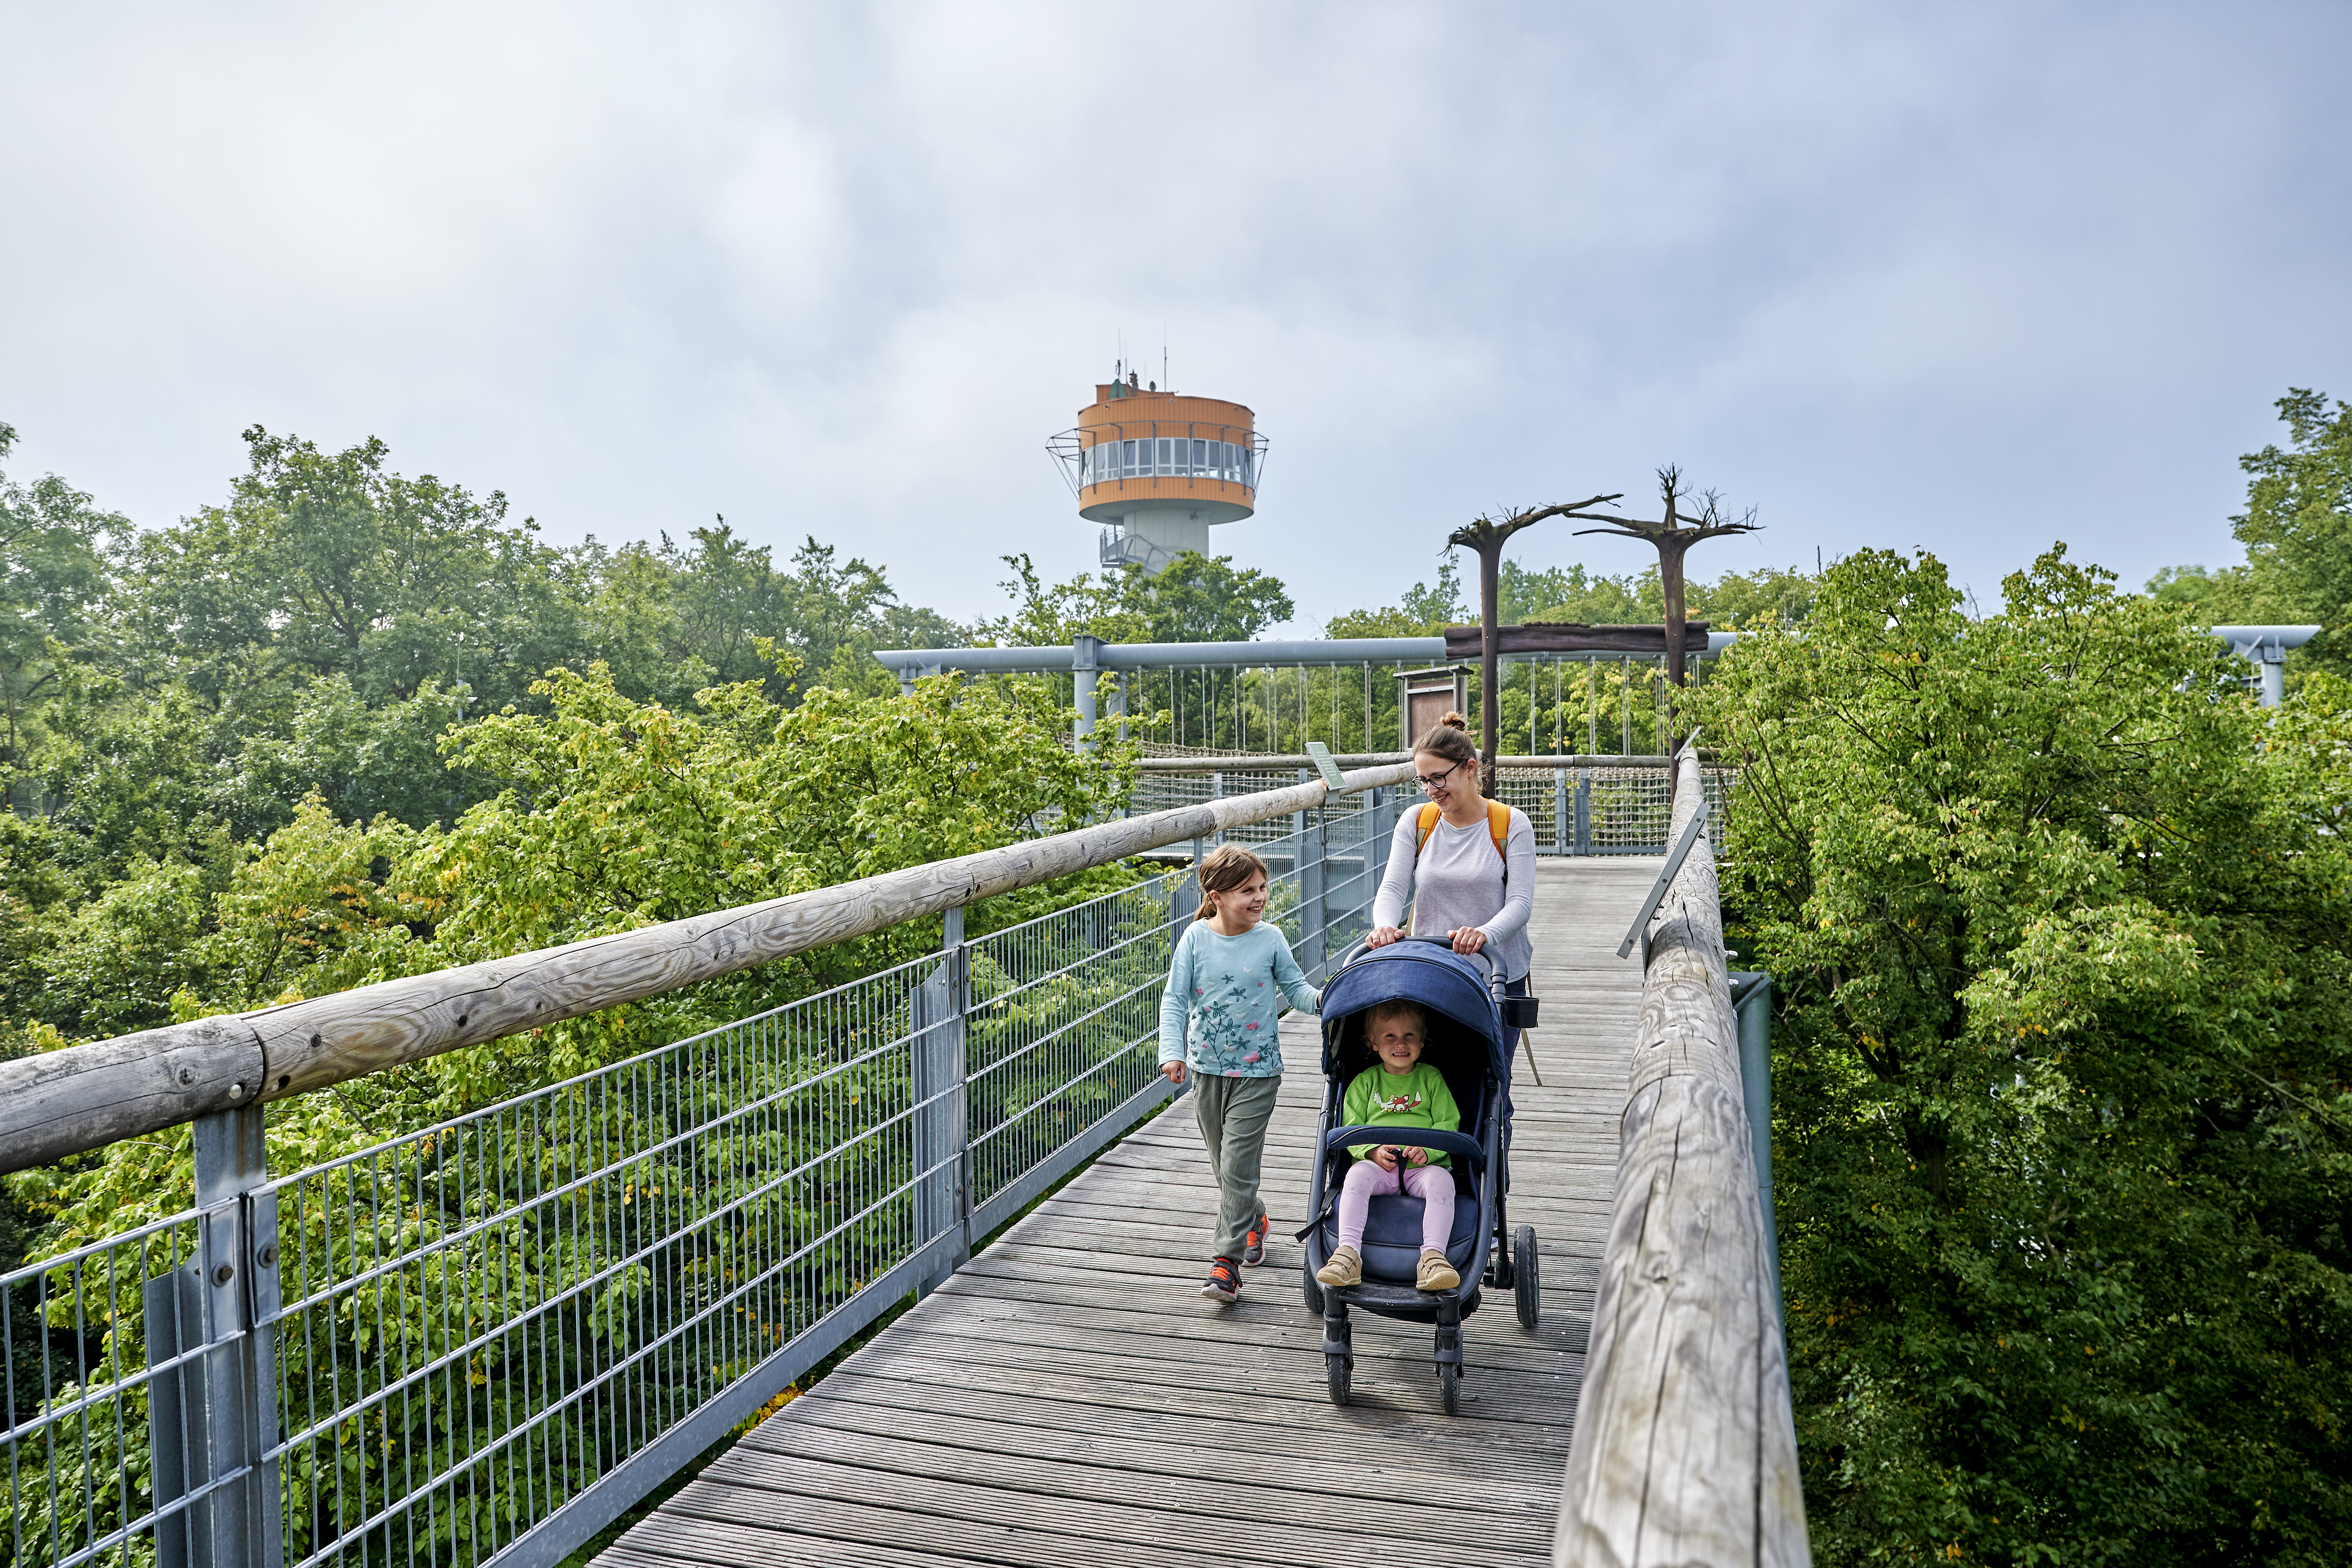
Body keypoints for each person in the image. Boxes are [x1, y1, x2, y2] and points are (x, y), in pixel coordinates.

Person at [1159, 844, 1320, 1303]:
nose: (1259, 897)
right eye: (1247, 890)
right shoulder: (1194, 939)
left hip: (1257, 1072)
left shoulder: (1270, 938)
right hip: (1206, 1071)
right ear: (1216, 896)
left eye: (1262, 888)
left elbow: (1296, 988)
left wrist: (1331, 1002)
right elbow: (1174, 999)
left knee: (1236, 1165)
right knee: (1224, 1167)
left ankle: (1224, 1263)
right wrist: (1171, 1053)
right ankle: (1256, 1219)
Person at [1367, 711, 1536, 1125]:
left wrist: (1482, 933)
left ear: (1469, 769)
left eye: (1438, 778)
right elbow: (1392, 889)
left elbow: (1519, 902)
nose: (1430, 790)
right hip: (1434, 970)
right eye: (1422, 781)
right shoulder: (1418, 821)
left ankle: (1490, 1181)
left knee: (1490, 1084)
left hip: (1495, 974)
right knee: (1431, 1078)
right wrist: (1385, 925)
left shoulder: (1510, 824)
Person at [1313, 1000, 1462, 1292]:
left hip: (1423, 1166)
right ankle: (1348, 1253)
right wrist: (1371, 1150)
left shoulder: (1431, 1078)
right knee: (1355, 1177)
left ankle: (1433, 1257)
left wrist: (1428, 1150)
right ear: (1373, 1041)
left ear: (1422, 1039)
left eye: (1409, 1036)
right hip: (1379, 1167)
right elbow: (1352, 1128)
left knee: (1443, 1182)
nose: (1400, 1044)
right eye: (1390, 1037)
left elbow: (1448, 1122)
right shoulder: (1364, 1082)